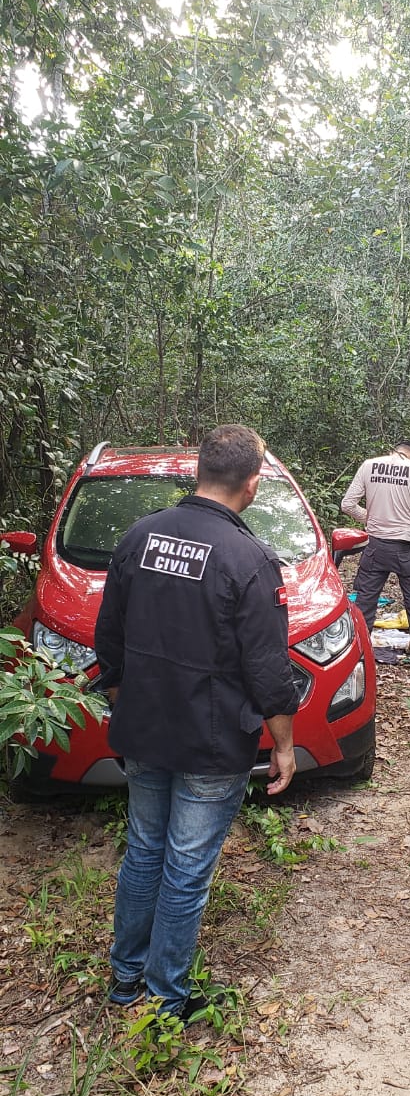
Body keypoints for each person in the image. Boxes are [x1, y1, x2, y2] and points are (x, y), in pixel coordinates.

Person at [95, 424, 299, 1022]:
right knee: (184, 871)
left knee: (144, 852)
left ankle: (125, 978)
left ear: (199, 470)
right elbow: (267, 667)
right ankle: (164, 1001)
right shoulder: (250, 558)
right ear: (253, 484)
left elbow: (110, 638)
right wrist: (283, 745)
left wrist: (124, 699)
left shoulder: (140, 535)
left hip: (145, 729)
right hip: (211, 742)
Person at [341, 440, 410, 691]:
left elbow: (347, 504)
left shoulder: (369, 466)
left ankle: (354, 669)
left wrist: (371, 517)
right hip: (405, 549)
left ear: (392, 451)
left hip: (375, 547)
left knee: (364, 606)